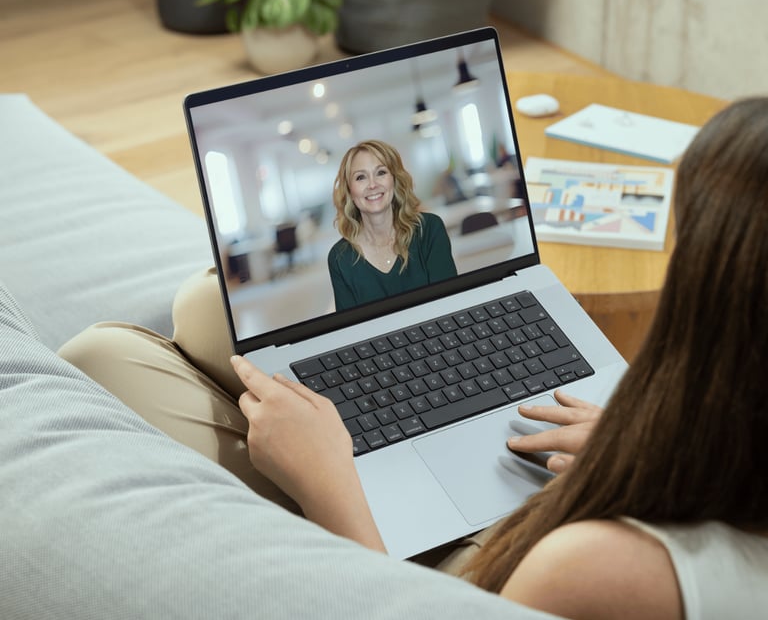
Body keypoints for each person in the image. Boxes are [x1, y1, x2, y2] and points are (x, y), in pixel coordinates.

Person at [59, 99, 768, 618]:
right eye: (358, 178)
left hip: (435, 567)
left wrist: (329, 483)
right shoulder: (343, 254)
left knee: (103, 357)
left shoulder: (600, 571)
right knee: (205, 308)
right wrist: (637, 447)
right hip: (553, 480)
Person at [327, 140, 457, 311]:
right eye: (360, 177)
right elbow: (351, 330)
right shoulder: (340, 258)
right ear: (350, 190)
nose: (373, 184)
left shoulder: (429, 229)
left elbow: (450, 305)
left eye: (381, 172)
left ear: (394, 180)